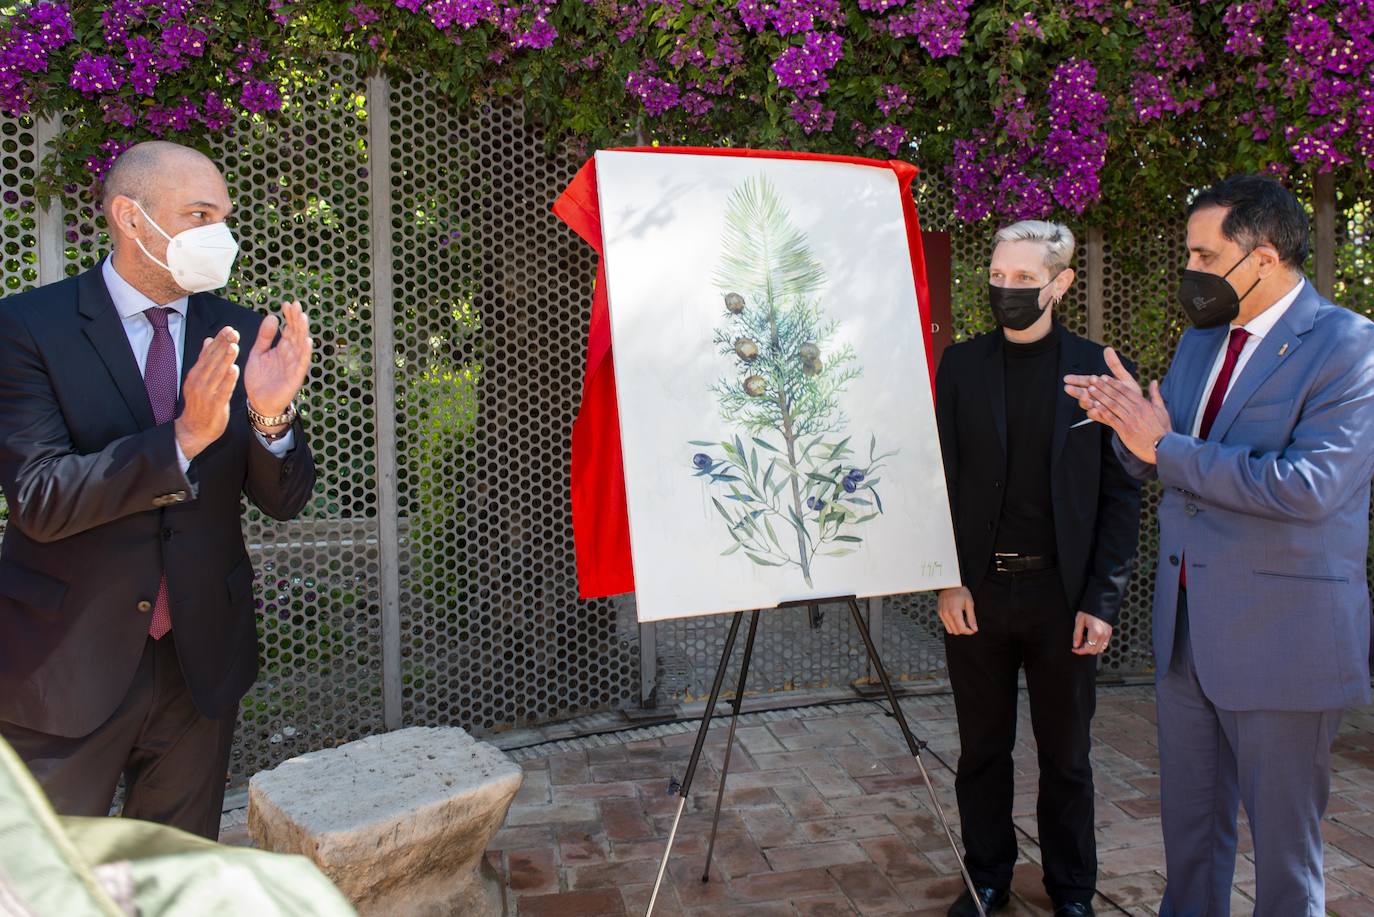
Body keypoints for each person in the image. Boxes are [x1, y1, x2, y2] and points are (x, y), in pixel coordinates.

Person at [1065, 174, 1374, 916]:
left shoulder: (1349, 347)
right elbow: (1156, 452)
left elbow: (1307, 488)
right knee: (1191, 840)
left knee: (1284, 856)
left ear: (1263, 257)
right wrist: (1127, 433)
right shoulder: (1201, 339)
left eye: (1204, 257)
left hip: (1284, 639)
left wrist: (1162, 445)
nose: (1191, 273)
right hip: (1187, 635)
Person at [0, 141, 316, 840]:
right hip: (63, 664)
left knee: (175, 875)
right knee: (43, 881)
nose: (220, 236)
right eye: (200, 214)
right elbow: (42, 497)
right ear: (130, 217)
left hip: (198, 660)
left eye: (224, 217)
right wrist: (180, 442)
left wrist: (270, 415)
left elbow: (285, 498)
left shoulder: (235, 328)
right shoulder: (27, 328)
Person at [934, 221, 1142, 917]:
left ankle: (1072, 888)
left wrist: (1103, 601)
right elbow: (937, 481)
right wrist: (946, 579)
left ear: (1061, 283)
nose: (1008, 289)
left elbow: (1121, 495)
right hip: (978, 594)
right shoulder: (959, 366)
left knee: (1067, 758)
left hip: (1064, 595)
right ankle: (988, 875)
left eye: (1025, 278)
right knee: (982, 752)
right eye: (999, 274)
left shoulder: (1097, 368)